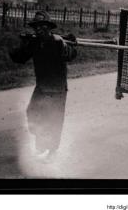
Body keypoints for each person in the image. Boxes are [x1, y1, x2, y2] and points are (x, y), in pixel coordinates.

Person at [9, 11, 77, 160]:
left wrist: (66, 44)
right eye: (36, 27)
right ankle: (42, 146)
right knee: (33, 114)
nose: (39, 29)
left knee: (54, 119)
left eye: (42, 26)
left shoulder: (58, 42)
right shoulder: (34, 43)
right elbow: (19, 58)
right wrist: (22, 44)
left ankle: (52, 151)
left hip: (57, 88)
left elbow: (72, 54)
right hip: (42, 86)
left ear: (48, 27)